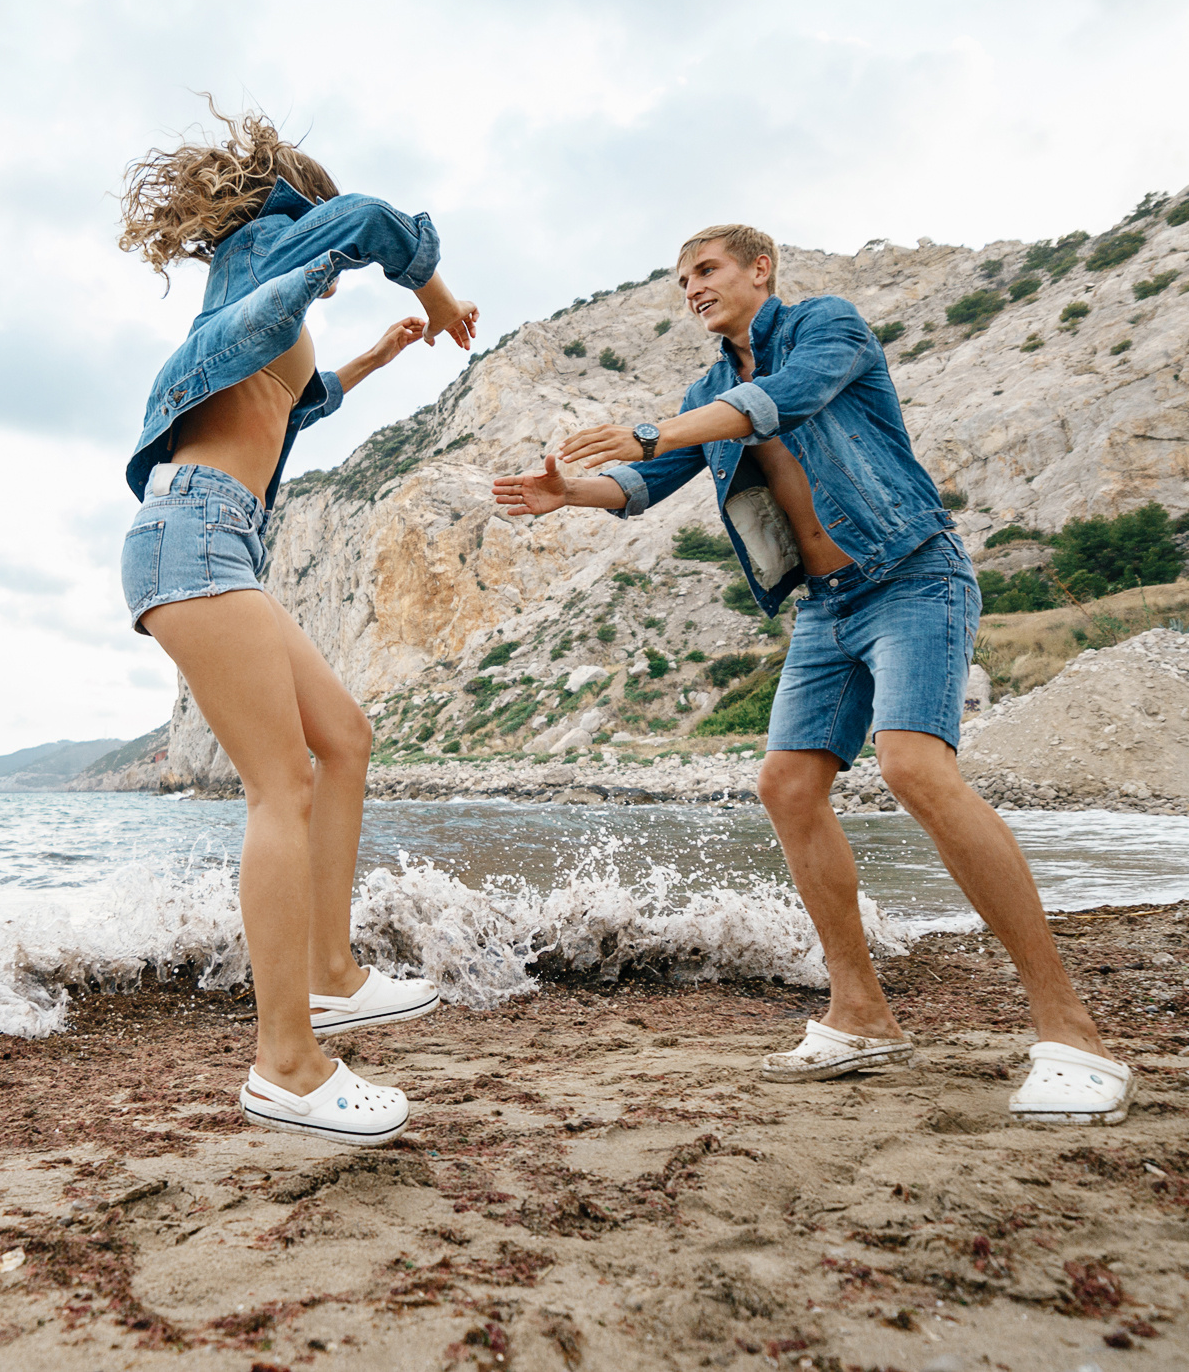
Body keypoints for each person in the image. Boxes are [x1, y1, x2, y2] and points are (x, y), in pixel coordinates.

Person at [490, 223, 1130, 1125]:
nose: (692, 289)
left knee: (913, 765)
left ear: (761, 269)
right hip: (825, 606)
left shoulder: (828, 324)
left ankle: (1072, 1034)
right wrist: (573, 492)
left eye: (706, 270)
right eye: (681, 280)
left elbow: (780, 400)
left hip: (912, 573)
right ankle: (860, 1012)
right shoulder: (706, 386)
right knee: (787, 785)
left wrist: (644, 430)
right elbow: (646, 482)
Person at [119, 109, 479, 1146]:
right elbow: (371, 220)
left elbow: (288, 407)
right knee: (282, 784)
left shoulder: (250, 304)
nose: (325, 272)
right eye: (317, 252)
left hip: (219, 538)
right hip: (190, 537)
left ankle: (330, 975)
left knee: (343, 740)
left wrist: (372, 360)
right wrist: (440, 297)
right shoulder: (266, 246)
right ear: (293, 212)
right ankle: (286, 1064)